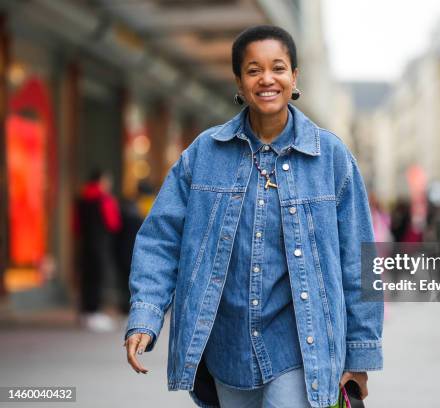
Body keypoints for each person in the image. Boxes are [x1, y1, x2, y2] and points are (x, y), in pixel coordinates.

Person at [123, 25, 383, 408]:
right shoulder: (204, 154)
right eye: (253, 70)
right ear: (240, 83)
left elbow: (359, 259)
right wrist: (146, 316)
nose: (267, 79)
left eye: (278, 68)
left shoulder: (331, 157)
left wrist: (360, 355)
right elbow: (161, 238)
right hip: (228, 351)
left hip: (301, 350)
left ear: (294, 77)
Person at [75, 169, 121, 332]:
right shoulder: (104, 200)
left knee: (86, 279)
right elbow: (113, 223)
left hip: (84, 244)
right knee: (97, 278)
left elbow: (76, 226)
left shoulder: (81, 199)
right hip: (100, 245)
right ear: (101, 181)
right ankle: (94, 313)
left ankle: (85, 314)